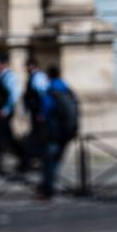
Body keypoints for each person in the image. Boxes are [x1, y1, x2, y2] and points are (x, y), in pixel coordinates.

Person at [39, 65, 79, 199]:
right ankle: (50, 184)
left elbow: (45, 110)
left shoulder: (51, 90)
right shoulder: (66, 88)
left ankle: (47, 189)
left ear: (49, 76)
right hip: (66, 131)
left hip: (54, 132)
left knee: (49, 160)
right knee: (57, 159)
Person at [23, 55, 51, 171]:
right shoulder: (35, 76)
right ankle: (37, 160)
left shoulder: (38, 77)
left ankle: (39, 160)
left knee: (39, 136)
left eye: (27, 66)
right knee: (37, 136)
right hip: (36, 112)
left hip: (38, 113)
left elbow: (43, 95)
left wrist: (41, 112)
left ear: (31, 66)